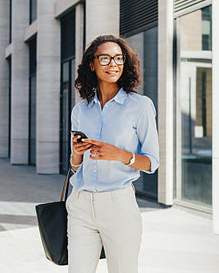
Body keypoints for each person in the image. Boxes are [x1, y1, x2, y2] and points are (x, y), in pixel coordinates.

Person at [67, 35, 159, 273]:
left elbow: (152, 162)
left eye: (118, 58)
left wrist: (120, 154)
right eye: (105, 58)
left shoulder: (140, 106)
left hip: (118, 205)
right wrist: (77, 154)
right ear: (92, 63)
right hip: (80, 204)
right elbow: (76, 167)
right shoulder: (81, 110)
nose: (113, 64)